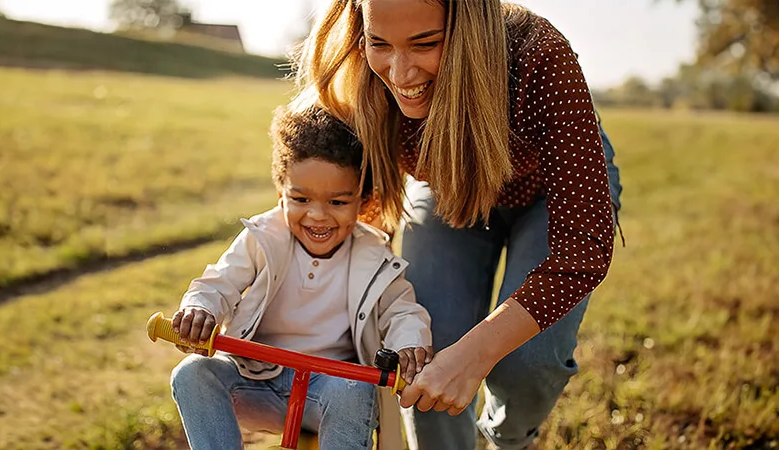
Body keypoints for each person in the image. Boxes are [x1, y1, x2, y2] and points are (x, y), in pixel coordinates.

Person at [289, 1, 623, 449]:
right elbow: (330, 206)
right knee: (422, 346)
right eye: (380, 43)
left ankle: (509, 440)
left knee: (525, 361)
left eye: (426, 44)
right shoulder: (354, 74)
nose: (401, 74)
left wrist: (475, 355)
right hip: (449, 189)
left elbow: (581, 249)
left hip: (547, 190)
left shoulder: (540, 55)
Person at [168, 105, 433, 450]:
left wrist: (408, 343)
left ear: (362, 202)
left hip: (330, 391)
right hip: (255, 379)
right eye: (300, 198)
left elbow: (402, 312)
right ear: (281, 194)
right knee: (192, 374)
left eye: (338, 202)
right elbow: (220, 282)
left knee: (354, 390)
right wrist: (200, 310)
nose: (317, 216)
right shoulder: (263, 238)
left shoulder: (374, 258)